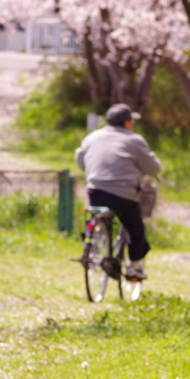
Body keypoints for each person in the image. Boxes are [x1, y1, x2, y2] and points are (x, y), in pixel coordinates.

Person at [75, 103, 162, 281]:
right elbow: (153, 168)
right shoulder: (134, 140)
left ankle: (93, 242)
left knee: (97, 216)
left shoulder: (92, 137)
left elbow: (80, 160)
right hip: (124, 196)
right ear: (127, 122)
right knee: (136, 229)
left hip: (95, 192)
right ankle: (135, 268)